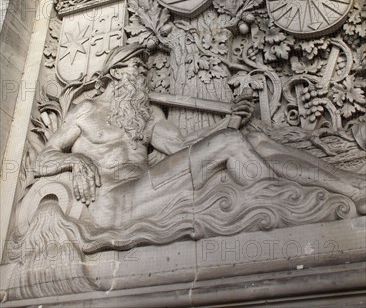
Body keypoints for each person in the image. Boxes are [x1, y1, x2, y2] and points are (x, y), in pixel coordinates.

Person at [34, 45, 366, 232]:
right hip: (112, 203)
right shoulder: (85, 110)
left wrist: (229, 120)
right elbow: (43, 158)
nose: (143, 76)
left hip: (148, 188)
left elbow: (183, 149)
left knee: (248, 139)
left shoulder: (145, 115)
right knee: (230, 143)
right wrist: (75, 160)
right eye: (137, 68)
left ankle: (351, 186)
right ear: (117, 72)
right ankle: (283, 203)